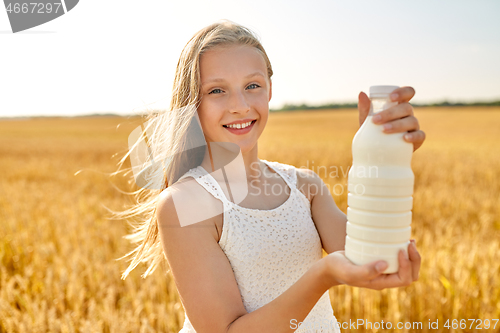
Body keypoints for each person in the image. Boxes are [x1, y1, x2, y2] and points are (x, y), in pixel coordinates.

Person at [117, 19, 424, 333]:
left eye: (252, 86)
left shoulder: (305, 187)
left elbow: (372, 258)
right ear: (192, 103)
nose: (240, 105)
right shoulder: (186, 203)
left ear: (270, 89)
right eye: (217, 90)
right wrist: (323, 276)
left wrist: (382, 157)